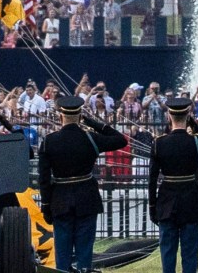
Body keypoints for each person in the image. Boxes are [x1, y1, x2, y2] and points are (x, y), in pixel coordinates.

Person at [38, 92, 128, 273]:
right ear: (80, 115)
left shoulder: (49, 141)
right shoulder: (90, 138)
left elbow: (44, 178)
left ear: (60, 114)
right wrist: (92, 122)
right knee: (84, 252)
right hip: (86, 198)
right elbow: (120, 139)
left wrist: (46, 204)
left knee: (62, 254)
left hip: (60, 199)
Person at [148, 94, 198, 273]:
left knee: (168, 252)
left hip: (167, 200)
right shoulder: (197, 141)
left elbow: (152, 179)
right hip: (190, 200)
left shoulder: (159, 144)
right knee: (190, 252)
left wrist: (152, 205)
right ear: (188, 115)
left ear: (169, 115)